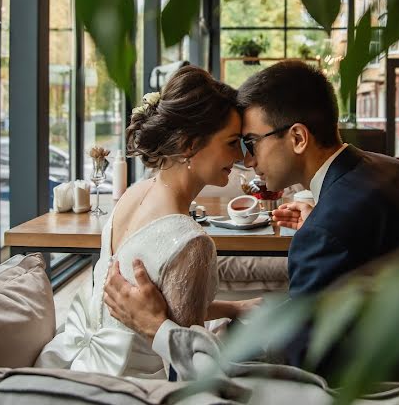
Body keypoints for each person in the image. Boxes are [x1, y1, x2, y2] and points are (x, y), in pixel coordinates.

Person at [104, 61, 399, 375]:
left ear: (297, 137)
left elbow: (306, 368)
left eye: (251, 142)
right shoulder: (392, 170)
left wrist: (158, 329)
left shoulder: (326, 230)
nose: (247, 160)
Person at [36, 65, 259, 379]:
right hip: (133, 386)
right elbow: (185, 363)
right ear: (189, 145)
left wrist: (232, 308)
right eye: (232, 142)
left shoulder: (132, 193)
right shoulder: (190, 242)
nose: (241, 156)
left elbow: (161, 308)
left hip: (77, 364)